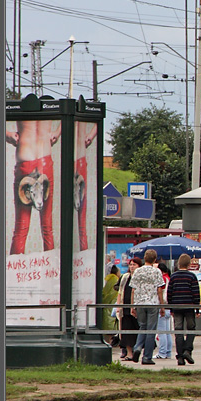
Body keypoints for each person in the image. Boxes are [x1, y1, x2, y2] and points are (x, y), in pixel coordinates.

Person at [7, 120, 61, 254]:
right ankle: (51, 271)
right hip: (45, 157)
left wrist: (7, 134)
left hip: (26, 154)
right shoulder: (50, 106)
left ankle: (15, 272)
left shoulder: (22, 108)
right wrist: (57, 132)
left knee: (21, 228)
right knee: (47, 227)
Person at [128, 249, 167, 365]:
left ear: (144, 258)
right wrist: (162, 306)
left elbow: (133, 290)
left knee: (142, 327)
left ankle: (137, 347)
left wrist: (132, 306)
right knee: (151, 330)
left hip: (140, 302)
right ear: (155, 259)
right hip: (153, 303)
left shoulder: (138, 272)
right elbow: (159, 289)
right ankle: (147, 357)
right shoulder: (157, 272)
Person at [167, 254, 200, 366]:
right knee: (191, 328)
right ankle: (187, 350)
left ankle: (180, 356)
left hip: (176, 307)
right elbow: (196, 293)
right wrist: (197, 309)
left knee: (178, 331)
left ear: (178, 263)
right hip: (189, 306)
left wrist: (170, 308)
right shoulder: (191, 276)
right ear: (189, 264)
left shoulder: (173, 276)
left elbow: (169, 293)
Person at [73, 121, 97, 250]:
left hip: (78, 159)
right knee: (81, 224)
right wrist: (91, 135)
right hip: (80, 157)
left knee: (81, 222)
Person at [115, 257, 141, 361]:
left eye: (134, 265)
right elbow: (120, 291)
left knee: (137, 328)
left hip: (136, 307)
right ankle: (129, 353)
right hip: (125, 307)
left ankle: (137, 350)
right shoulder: (125, 277)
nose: (132, 267)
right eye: (130, 265)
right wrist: (118, 306)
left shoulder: (140, 277)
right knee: (126, 330)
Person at [154, 260, 174, 359]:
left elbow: (159, 292)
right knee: (167, 332)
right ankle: (168, 352)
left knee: (161, 331)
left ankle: (162, 352)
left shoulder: (162, 279)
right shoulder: (168, 278)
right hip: (168, 307)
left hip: (161, 306)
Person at [100, 265, 120, 346]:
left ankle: (109, 342)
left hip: (108, 307)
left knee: (109, 327)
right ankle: (110, 342)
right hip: (111, 306)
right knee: (111, 327)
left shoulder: (110, 279)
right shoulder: (115, 279)